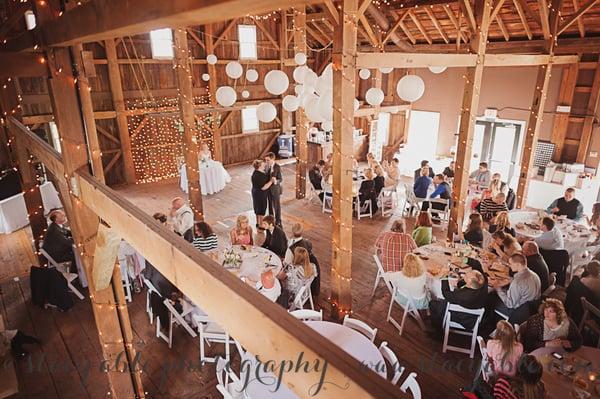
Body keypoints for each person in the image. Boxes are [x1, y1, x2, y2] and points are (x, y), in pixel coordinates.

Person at [429, 259, 488, 332]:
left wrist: (445, 275)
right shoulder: (483, 280)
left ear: (469, 284)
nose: (464, 275)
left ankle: (437, 329)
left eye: (466, 276)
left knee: (432, 303)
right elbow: (476, 263)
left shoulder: (463, 295)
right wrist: (463, 258)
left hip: (466, 318)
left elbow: (446, 293)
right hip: (477, 311)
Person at [493, 253, 541, 319]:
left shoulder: (517, 282)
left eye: (511, 263)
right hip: (532, 308)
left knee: (492, 301)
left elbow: (509, 304)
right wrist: (511, 280)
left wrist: (498, 289)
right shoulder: (534, 275)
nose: (509, 266)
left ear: (518, 264)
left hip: (518, 311)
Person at [251, 159, 274, 228]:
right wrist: (271, 181)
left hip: (255, 192)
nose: (264, 163)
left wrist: (270, 166)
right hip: (260, 194)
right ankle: (261, 225)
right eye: (263, 163)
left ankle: (257, 223)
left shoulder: (257, 172)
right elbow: (263, 187)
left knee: (257, 208)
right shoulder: (259, 175)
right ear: (260, 166)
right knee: (261, 208)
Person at [265, 152, 283, 227]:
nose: (266, 162)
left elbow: (281, 179)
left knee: (277, 206)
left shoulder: (277, 167)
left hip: (275, 190)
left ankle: (278, 221)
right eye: (266, 160)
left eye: (268, 160)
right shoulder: (266, 167)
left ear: (272, 159)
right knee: (270, 205)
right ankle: (271, 220)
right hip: (268, 189)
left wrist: (276, 181)